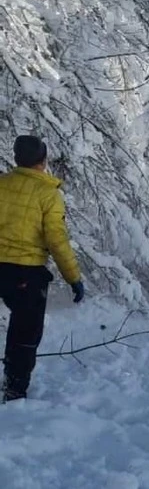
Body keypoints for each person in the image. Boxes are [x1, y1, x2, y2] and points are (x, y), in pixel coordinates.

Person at [0, 136, 85, 401]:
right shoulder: (48, 195)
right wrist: (73, 277)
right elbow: (56, 239)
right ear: (43, 161)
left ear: (16, 159)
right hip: (26, 273)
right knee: (25, 333)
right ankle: (14, 389)